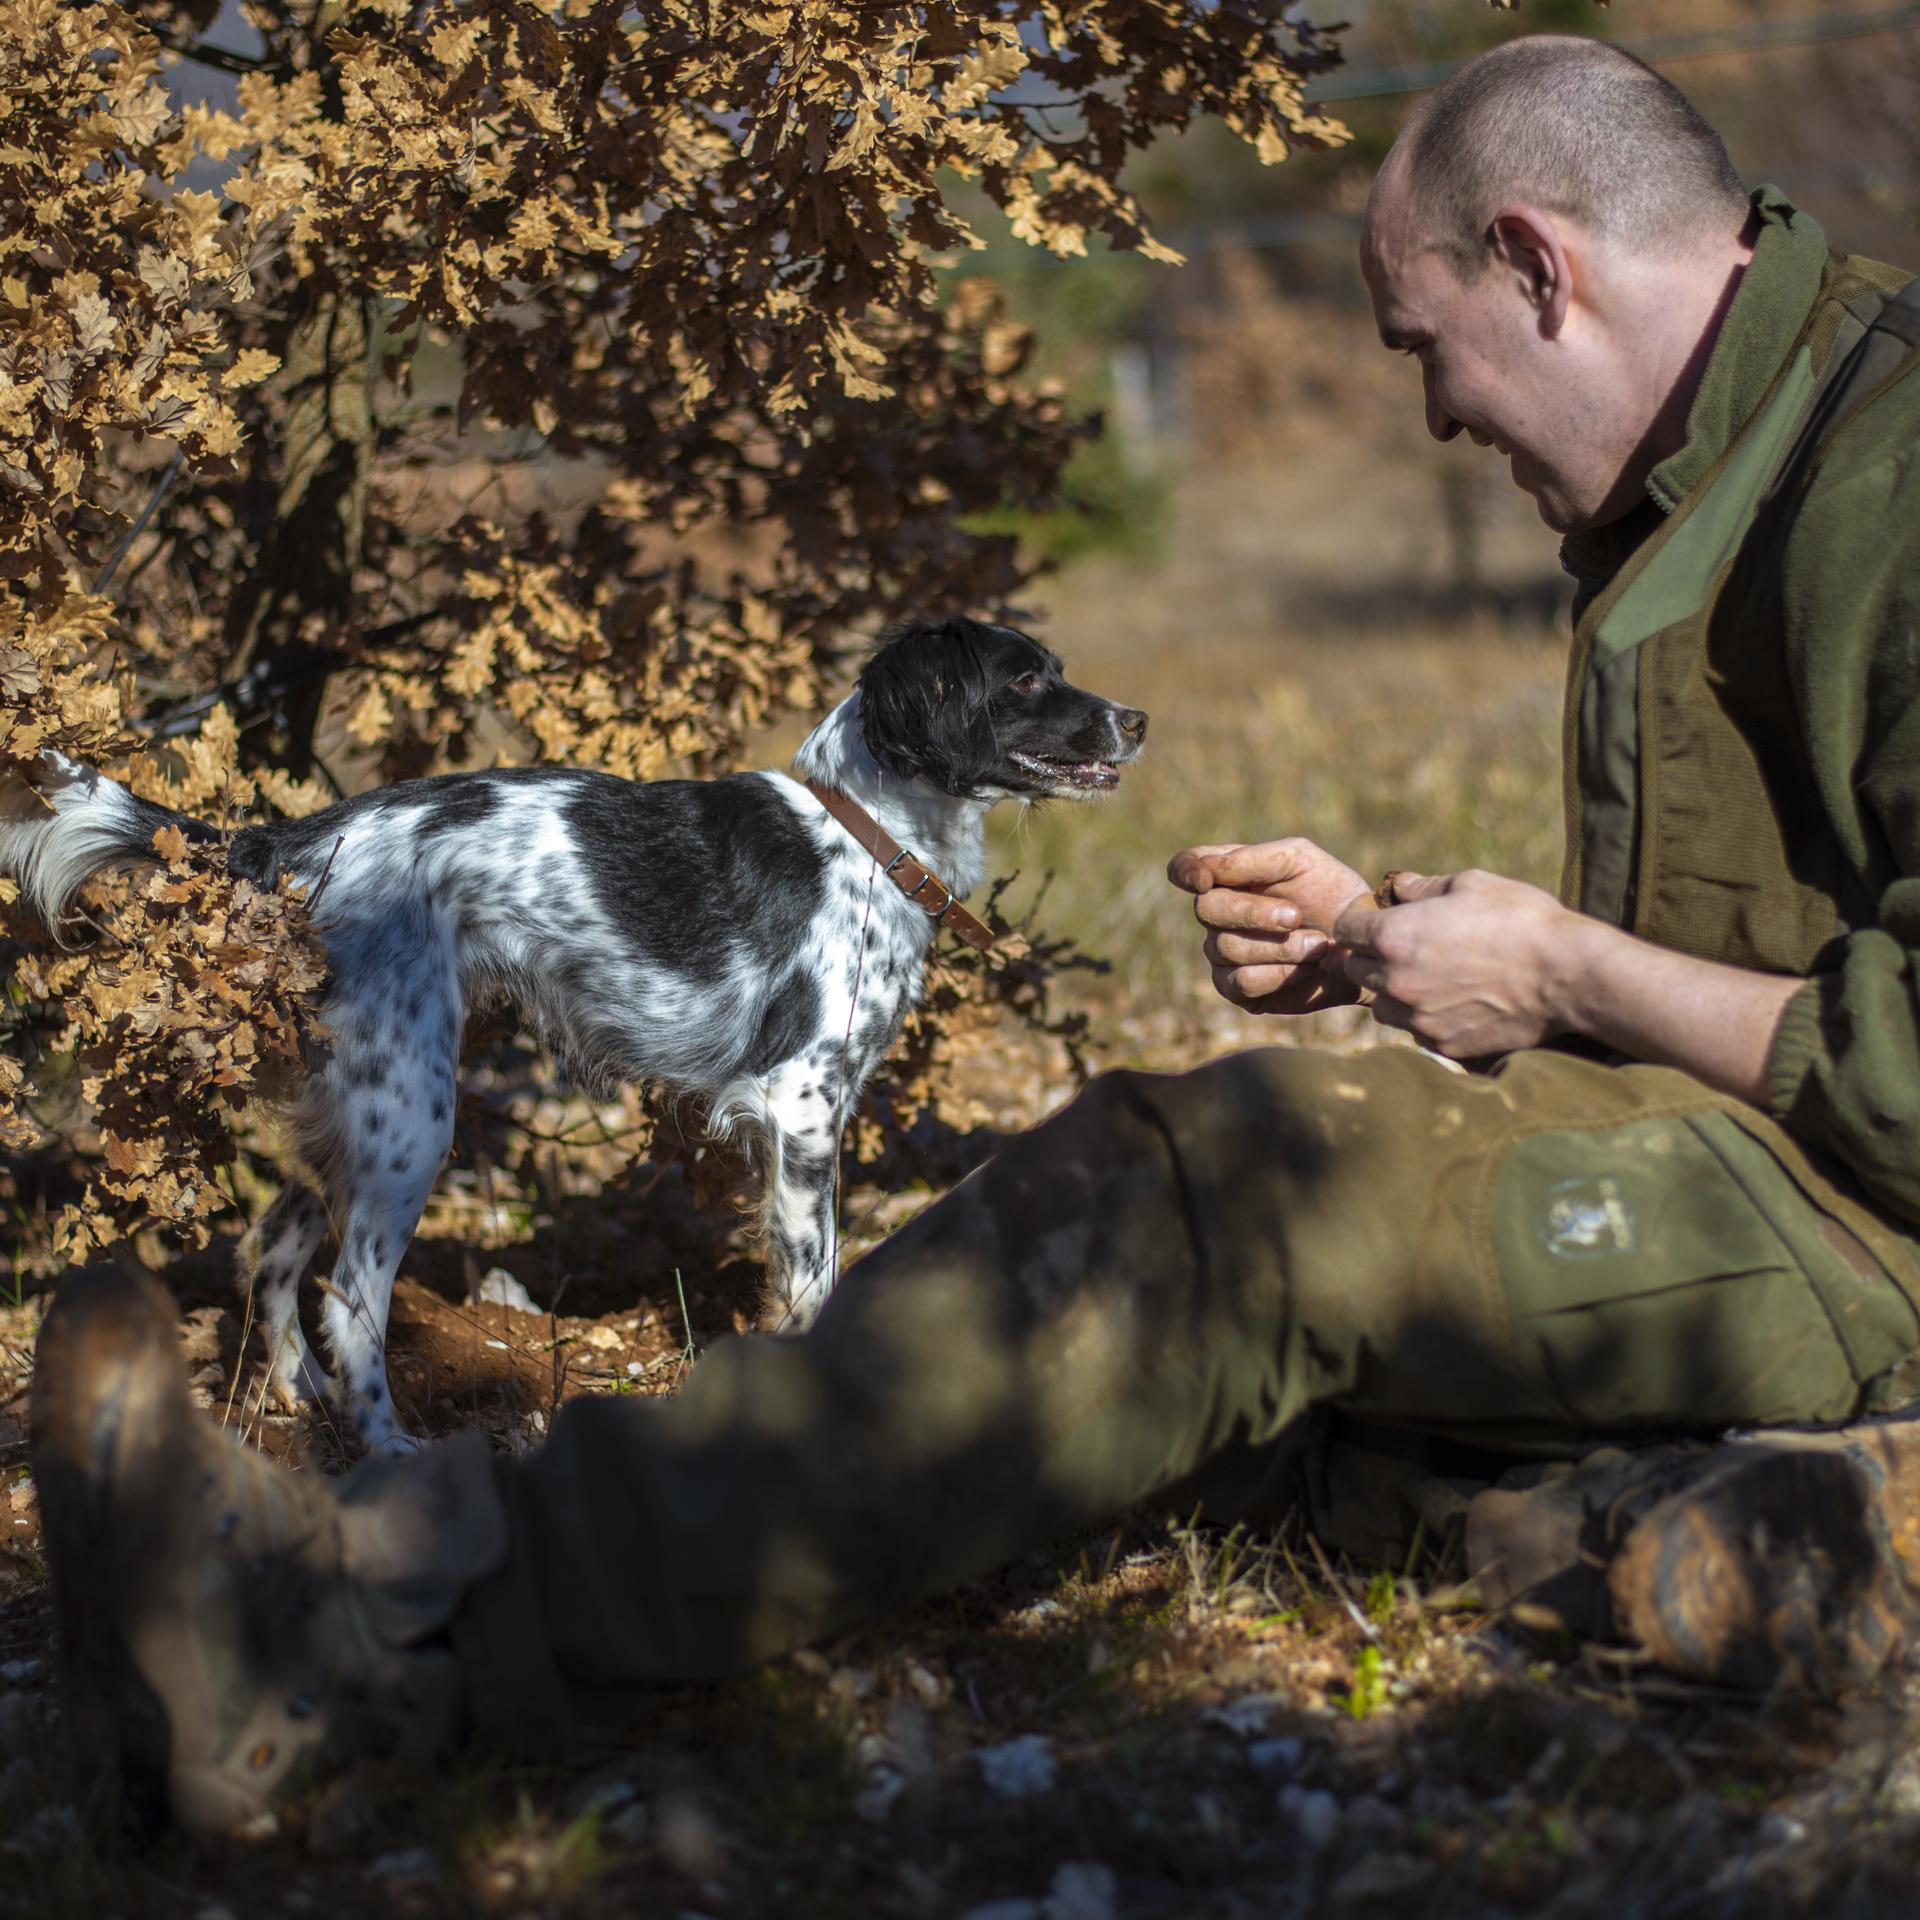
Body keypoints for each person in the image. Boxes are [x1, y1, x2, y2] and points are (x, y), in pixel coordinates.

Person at [29, 34, 1920, 1839]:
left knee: (1216, 1202)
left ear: (1539, 268)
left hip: (1858, 1214)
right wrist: (1412, 941)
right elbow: (1785, 937)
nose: (1431, 410)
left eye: (1426, 350)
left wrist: (1572, 972)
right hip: (1742, 1153)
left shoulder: (1888, 475)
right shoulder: (1708, 475)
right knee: (1148, 1365)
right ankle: (1684, 1527)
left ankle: (352, 1642)